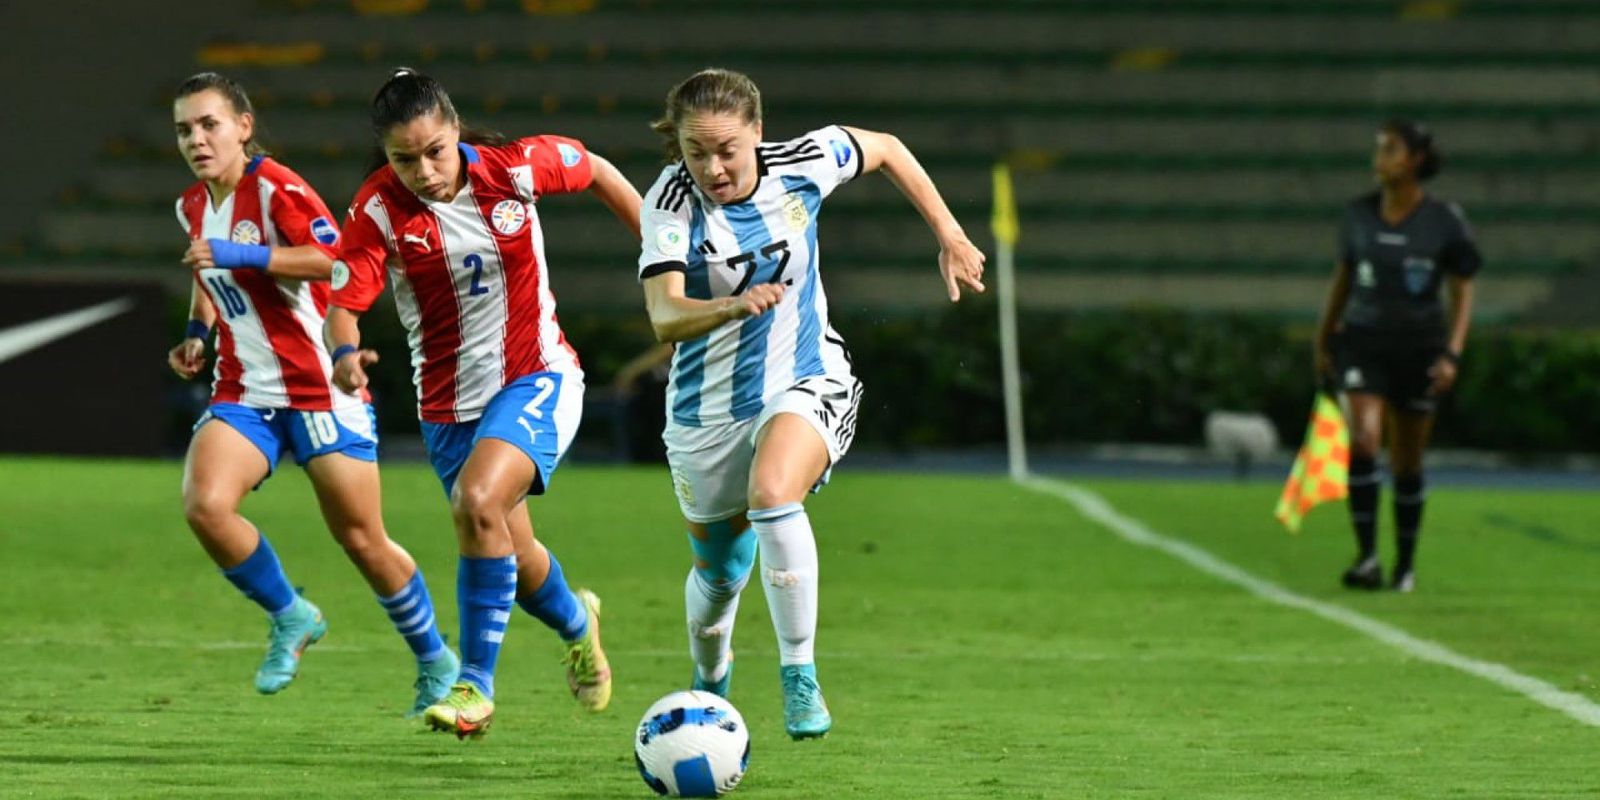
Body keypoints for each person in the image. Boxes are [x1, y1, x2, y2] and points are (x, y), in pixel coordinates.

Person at [635, 68, 986, 739]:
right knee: (719, 573)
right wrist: (731, 305)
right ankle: (711, 679)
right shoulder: (670, 205)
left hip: (805, 374)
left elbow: (885, 147)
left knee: (773, 491)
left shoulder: (805, 163)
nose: (712, 166)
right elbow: (663, 316)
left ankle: (799, 675)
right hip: (706, 410)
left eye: (727, 149)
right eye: (695, 151)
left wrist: (949, 232)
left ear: (758, 134)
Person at [325, 68, 642, 738]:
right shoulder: (378, 210)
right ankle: (578, 624)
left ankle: (474, 685)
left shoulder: (514, 169)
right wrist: (345, 356)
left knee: (476, 502)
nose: (423, 170)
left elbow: (596, 167)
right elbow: (344, 307)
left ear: (454, 129)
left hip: (538, 377)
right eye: (402, 159)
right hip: (448, 410)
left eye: (434, 150)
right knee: (513, 556)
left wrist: (661, 248)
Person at [166, 72, 457, 713]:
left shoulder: (276, 187)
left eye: (210, 124)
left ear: (243, 125)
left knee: (361, 540)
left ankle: (436, 659)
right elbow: (206, 265)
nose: (197, 139)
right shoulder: (193, 205)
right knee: (205, 505)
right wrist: (198, 330)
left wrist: (242, 257)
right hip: (244, 389)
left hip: (319, 388)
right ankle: (291, 615)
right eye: (185, 128)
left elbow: (339, 258)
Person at [1315, 119, 1481, 593]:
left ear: (1415, 161)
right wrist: (1324, 337)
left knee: (1407, 462)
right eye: (1378, 149)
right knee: (1364, 441)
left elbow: (1462, 291)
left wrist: (1452, 351)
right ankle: (1366, 557)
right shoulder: (1358, 215)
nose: (1379, 158)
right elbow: (1343, 279)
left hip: (1420, 349)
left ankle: (1403, 565)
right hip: (1364, 342)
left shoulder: (1445, 221)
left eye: (1390, 149)